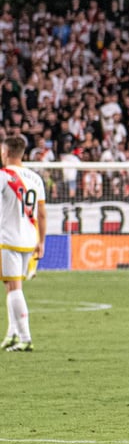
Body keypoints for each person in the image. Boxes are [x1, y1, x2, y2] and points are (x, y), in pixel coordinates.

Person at [1, 135, 45, 352]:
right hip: (29, 239)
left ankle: (25, 338)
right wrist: (42, 242)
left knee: (13, 288)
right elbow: (43, 214)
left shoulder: (3, 176)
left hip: (8, 240)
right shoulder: (36, 178)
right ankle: (12, 333)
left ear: (6, 152)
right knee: (11, 287)